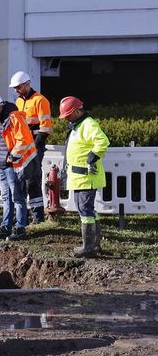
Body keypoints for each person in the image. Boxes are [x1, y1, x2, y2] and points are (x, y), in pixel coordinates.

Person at [0, 93, 39, 241]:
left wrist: (12, 156)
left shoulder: (14, 117)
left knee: (17, 197)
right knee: (7, 197)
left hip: (12, 165)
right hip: (3, 165)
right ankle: (6, 227)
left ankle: (20, 228)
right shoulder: (2, 118)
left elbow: (24, 139)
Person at [59, 96, 109, 258]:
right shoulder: (77, 126)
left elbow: (102, 141)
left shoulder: (88, 124)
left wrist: (93, 156)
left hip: (86, 177)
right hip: (80, 177)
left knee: (85, 210)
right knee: (86, 209)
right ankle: (94, 245)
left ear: (77, 111)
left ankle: (88, 248)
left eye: (68, 115)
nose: (65, 118)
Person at [10, 71, 52, 224]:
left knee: (33, 179)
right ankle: (23, 216)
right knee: (20, 179)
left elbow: (45, 128)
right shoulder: (19, 101)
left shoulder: (40, 101)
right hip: (22, 145)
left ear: (27, 84)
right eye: (15, 88)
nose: (16, 90)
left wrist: (34, 147)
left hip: (35, 144)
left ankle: (37, 216)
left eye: (18, 87)